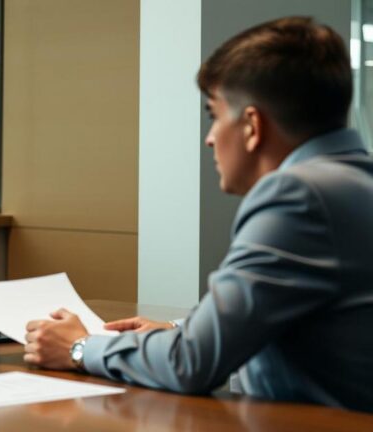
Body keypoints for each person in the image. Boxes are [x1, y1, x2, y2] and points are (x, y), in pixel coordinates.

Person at [24, 17, 373, 412]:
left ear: (252, 126)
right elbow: (281, 314)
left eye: (214, 115)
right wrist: (185, 329)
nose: (209, 137)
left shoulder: (297, 195)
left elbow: (192, 363)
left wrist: (79, 346)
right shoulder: (354, 181)